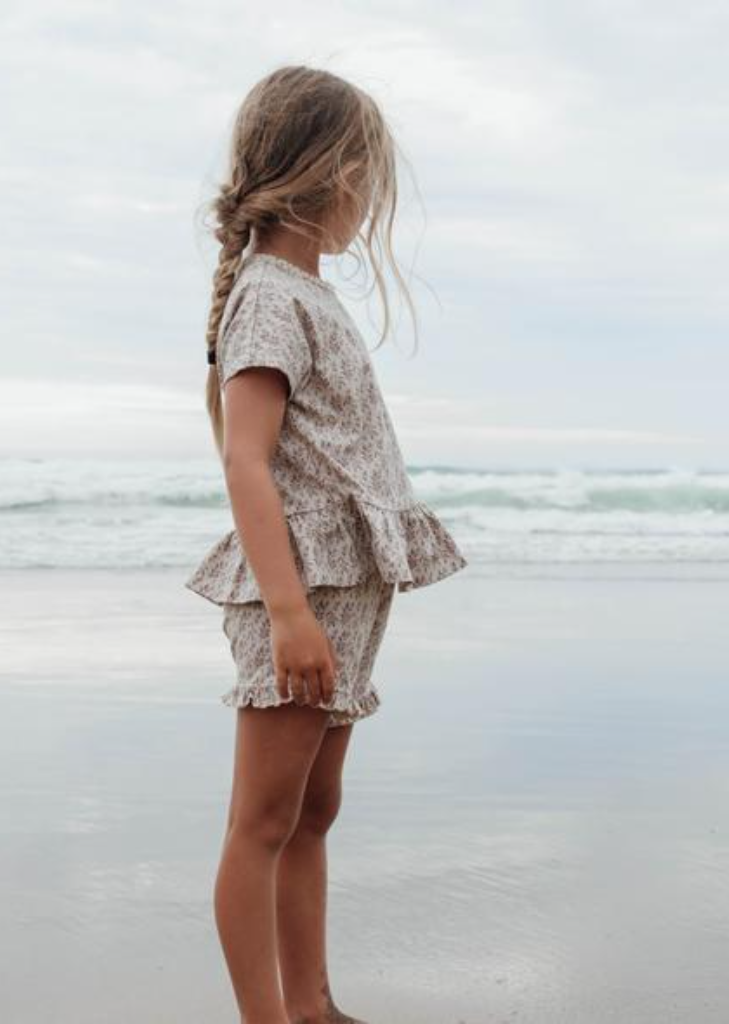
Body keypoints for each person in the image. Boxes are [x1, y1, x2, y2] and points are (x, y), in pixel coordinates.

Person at [184, 64, 468, 1024]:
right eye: (367, 179)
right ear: (327, 173)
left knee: (312, 812)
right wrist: (290, 614)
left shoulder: (306, 293)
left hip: (341, 596)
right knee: (263, 820)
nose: (371, 200)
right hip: (299, 596)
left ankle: (311, 1007)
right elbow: (246, 463)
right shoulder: (270, 296)